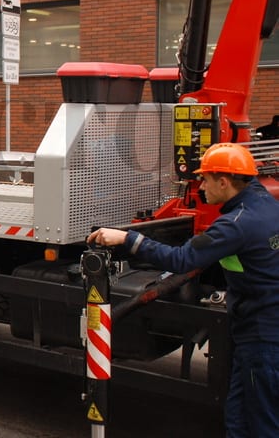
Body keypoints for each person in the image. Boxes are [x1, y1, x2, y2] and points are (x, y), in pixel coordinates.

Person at [87, 142, 279, 437]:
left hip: (263, 335)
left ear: (224, 182)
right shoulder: (265, 205)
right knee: (240, 415)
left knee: (262, 422)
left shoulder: (236, 225)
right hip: (258, 328)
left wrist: (128, 239)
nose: (201, 186)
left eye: (205, 179)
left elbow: (182, 260)